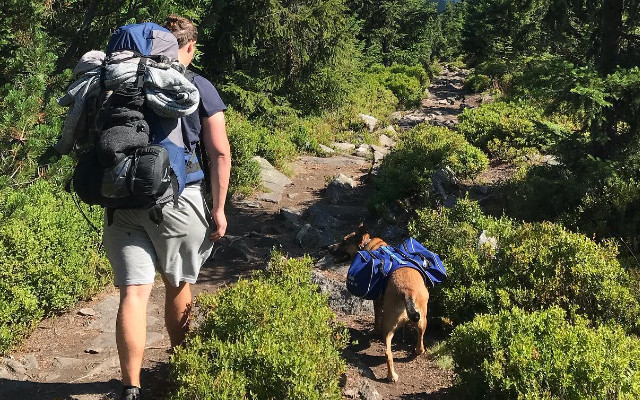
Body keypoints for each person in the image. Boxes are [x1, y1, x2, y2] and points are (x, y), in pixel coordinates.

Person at [103, 16, 231, 400]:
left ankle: (131, 387)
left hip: (122, 199)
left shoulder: (118, 83)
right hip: (176, 198)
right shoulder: (198, 86)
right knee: (178, 284)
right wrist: (220, 209)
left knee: (133, 294)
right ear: (188, 46)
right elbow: (220, 152)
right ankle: (183, 368)